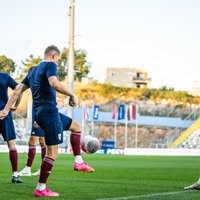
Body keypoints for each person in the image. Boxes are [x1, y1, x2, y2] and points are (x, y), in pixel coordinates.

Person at [0, 45, 94, 197]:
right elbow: (54, 83)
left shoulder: (33, 71)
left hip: (44, 113)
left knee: (76, 127)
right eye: (58, 59)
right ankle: (41, 188)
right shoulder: (50, 65)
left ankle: (78, 161)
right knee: (52, 153)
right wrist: (72, 95)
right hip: (49, 113)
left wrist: (5, 109)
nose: (57, 62)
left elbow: (17, 90)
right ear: (52, 56)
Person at [0, 71, 23, 183]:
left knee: (12, 145)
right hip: (5, 113)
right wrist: (16, 106)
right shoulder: (5, 77)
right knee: (11, 145)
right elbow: (20, 89)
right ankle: (15, 175)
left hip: (5, 113)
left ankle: (15, 175)